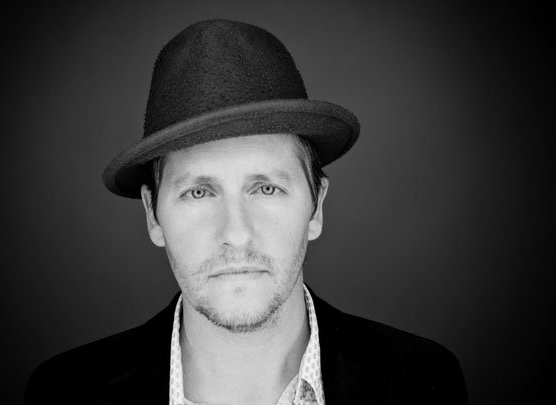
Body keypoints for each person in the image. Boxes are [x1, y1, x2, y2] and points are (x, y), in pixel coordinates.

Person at [25, 19, 467, 404]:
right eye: (199, 193)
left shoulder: (421, 382)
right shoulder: (65, 393)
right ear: (153, 216)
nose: (236, 233)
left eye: (267, 188)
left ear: (316, 207)